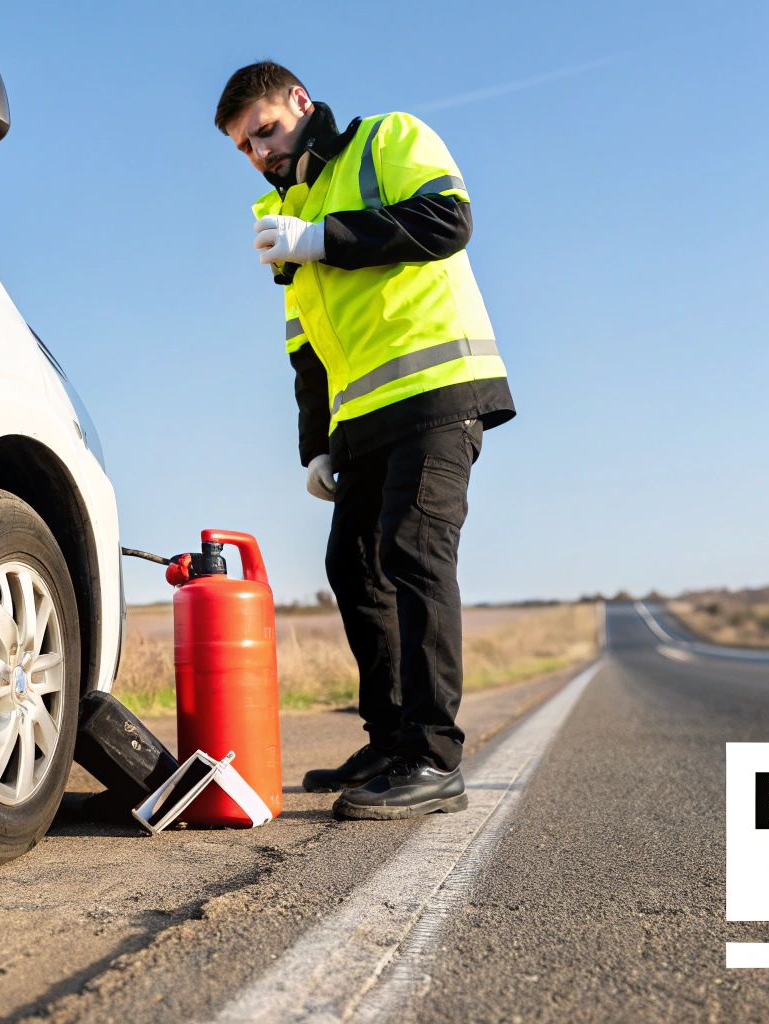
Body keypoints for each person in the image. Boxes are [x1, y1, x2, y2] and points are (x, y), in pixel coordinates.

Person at [214, 62, 516, 820]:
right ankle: (389, 740)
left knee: (412, 551)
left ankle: (433, 757)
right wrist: (314, 445)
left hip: (437, 390)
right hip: (362, 420)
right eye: (244, 147)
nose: (259, 153)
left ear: (301, 103)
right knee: (350, 564)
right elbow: (306, 347)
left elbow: (448, 222)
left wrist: (326, 237)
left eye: (265, 131)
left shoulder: (387, 141)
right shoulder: (281, 215)